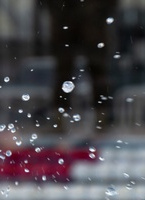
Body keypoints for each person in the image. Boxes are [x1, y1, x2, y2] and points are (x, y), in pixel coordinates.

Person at [41, 0, 118, 133]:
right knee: (63, 71)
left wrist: (98, 11)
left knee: (97, 70)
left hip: (91, 18)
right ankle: (59, 118)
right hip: (66, 17)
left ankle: (101, 117)